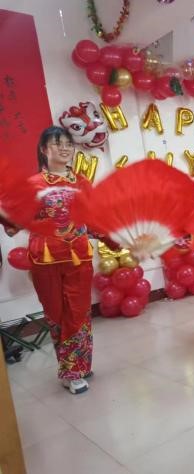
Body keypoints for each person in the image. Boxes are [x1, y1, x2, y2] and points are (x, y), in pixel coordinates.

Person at [4, 127, 95, 394]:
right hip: (46, 260)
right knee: (57, 315)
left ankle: (76, 369)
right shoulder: (33, 184)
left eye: (68, 143)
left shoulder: (82, 183)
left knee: (79, 312)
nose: (64, 148)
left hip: (79, 257)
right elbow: (13, 223)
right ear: (44, 150)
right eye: (57, 144)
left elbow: (95, 218)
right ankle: (72, 367)